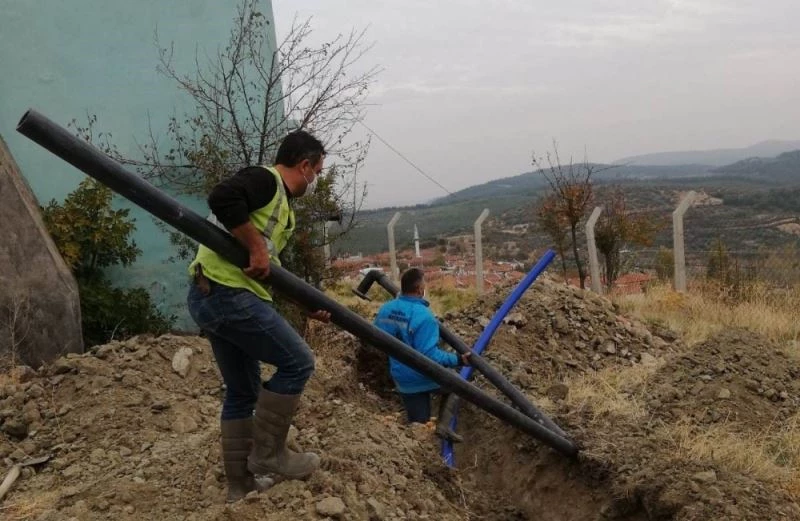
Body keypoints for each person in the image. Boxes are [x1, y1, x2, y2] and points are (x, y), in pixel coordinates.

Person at [186, 130, 331, 502]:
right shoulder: (266, 180)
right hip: (228, 293)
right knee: (298, 362)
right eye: (316, 171)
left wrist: (303, 302)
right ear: (304, 165)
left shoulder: (279, 206)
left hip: (209, 294)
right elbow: (221, 197)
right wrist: (254, 245)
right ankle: (269, 455)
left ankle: (239, 485)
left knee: (242, 390)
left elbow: (268, 266)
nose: (315, 180)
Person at [374, 268, 468, 442]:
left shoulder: (386, 310)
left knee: (419, 428)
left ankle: (419, 458)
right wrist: (457, 359)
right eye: (424, 284)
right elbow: (430, 356)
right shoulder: (425, 317)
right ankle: (444, 426)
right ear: (419, 290)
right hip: (421, 375)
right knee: (458, 384)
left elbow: (375, 338)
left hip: (401, 377)